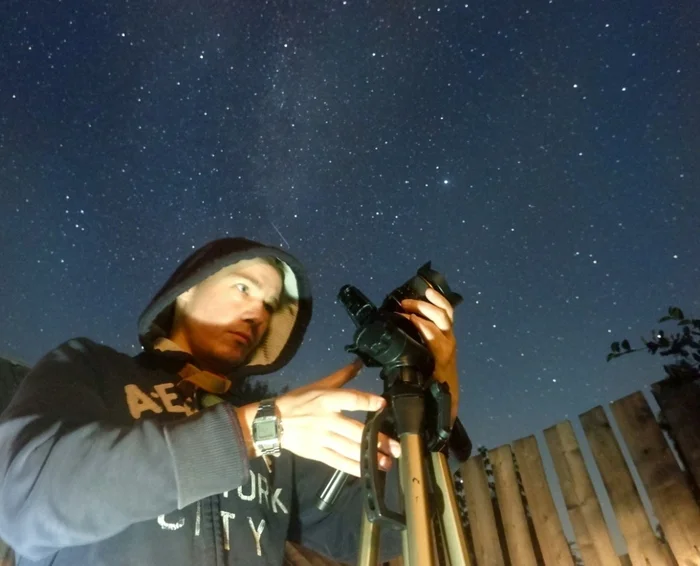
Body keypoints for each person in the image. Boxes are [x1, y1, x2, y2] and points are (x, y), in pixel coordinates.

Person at [0, 237, 463, 565]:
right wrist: (254, 430)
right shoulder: (92, 368)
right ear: (185, 292)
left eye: (270, 305)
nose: (258, 314)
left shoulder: (284, 439)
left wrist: (436, 375)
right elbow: (25, 501)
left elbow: (390, 525)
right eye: (244, 287)